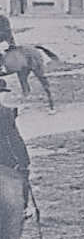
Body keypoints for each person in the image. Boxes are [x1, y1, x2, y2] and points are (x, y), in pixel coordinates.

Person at [0, 79, 34, 220]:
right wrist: (24, 160)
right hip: (4, 159)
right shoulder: (5, 113)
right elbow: (14, 139)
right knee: (22, 173)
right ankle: (23, 209)